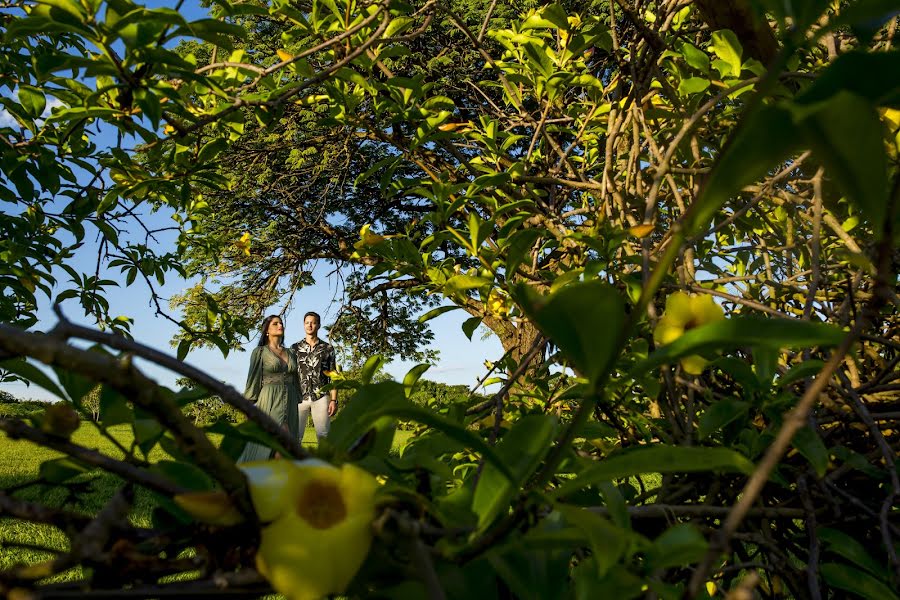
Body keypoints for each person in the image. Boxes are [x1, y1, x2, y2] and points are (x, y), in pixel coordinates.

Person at [237, 315, 301, 462]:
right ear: (267, 330)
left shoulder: (291, 352)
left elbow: (296, 378)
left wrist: (298, 397)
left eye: (281, 323)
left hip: (290, 400)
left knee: (288, 444)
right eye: (275, 323)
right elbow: (252, 379)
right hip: (270, 399)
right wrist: (248, 407)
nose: (280, 325)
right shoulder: (260, 352)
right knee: (280, 442)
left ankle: (277, 480)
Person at [291, 311, 337, 444]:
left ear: (318, 325)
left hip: (321, 397)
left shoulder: (328, 348)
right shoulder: (294, 348)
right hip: (298, 397)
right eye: (307, 323)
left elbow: (333, 375)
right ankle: (293, 463)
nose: (309, 325)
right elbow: (290, 374)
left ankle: (324, 464)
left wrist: (334, 400)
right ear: (303, 325)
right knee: (294, 436)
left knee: (324, 437)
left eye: (313, 322)